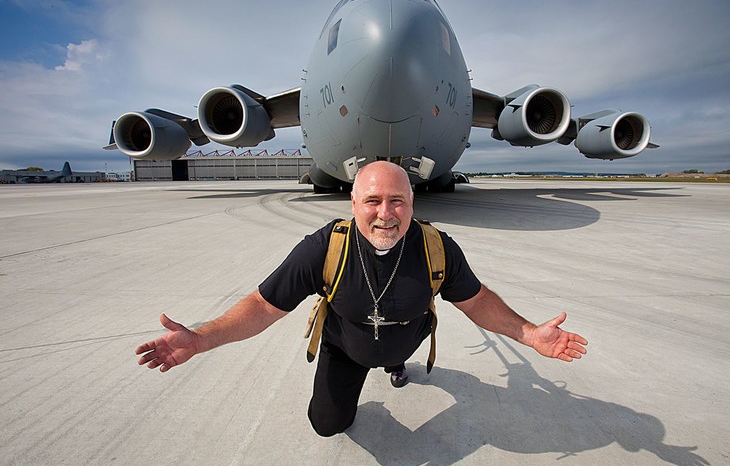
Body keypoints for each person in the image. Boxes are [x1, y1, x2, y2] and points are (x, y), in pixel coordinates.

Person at [135, 161, 588, 437]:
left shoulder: (437, 248)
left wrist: (530, 334)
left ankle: (395, 363)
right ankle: (365, 376)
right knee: (326, 425)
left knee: (397, 349)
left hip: (407, 335)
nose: (385, 214)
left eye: (397, 201)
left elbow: (477, 301)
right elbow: (261, 306)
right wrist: (202, 339)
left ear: (412, 203)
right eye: (373, 201)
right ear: (352, 203)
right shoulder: (323, 248)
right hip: (346, 348)